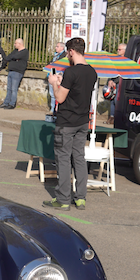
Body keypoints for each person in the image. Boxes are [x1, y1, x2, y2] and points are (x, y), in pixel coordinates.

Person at [43, 37, 97, 211]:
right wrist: (62, 81)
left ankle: (63, 199)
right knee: (79, 158)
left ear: (72, 51)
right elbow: (77, 91)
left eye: (68, 53)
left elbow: (60, 98)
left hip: (67, 122)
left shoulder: (71, 72)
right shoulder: (92, 72)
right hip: (82, 121)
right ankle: (81, 198)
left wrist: (54, 84)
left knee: (64, 159)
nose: (67, 56)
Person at [0, 38, 29, 109]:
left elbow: (16, 56)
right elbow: (8, 57)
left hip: (17, 72)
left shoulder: (25, 51)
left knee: (13, 89)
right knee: (9, 88)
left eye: (15, 43)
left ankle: (12, 103)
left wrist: (14, 58)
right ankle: (6, 102)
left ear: (20, 44)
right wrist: (14, 58)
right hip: (11, 71)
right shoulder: (15, 51)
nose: (14, 45)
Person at [106, 43, 127, 124]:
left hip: (120, 83)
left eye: (119, 49)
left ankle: (116, 117)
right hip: (113, 82)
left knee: (116, 100)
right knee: (111, 100)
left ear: (124, 50)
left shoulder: (126, 60)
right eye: (117, 49)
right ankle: (111, 117)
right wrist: (110, 81)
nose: (118, 51)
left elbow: (122, 73)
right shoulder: (115, 60)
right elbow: (112, 71)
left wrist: (115, 82)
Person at [48, 42, 67, 114]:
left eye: (57, 46)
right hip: (52, 74)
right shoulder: (55, 55)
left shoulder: (63, 56)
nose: (56, 48)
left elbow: (60, 66)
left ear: (62, 48)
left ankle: (55, 109)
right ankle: (52, 108)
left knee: (56, 93)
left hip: (58, 76)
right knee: (51, 93)